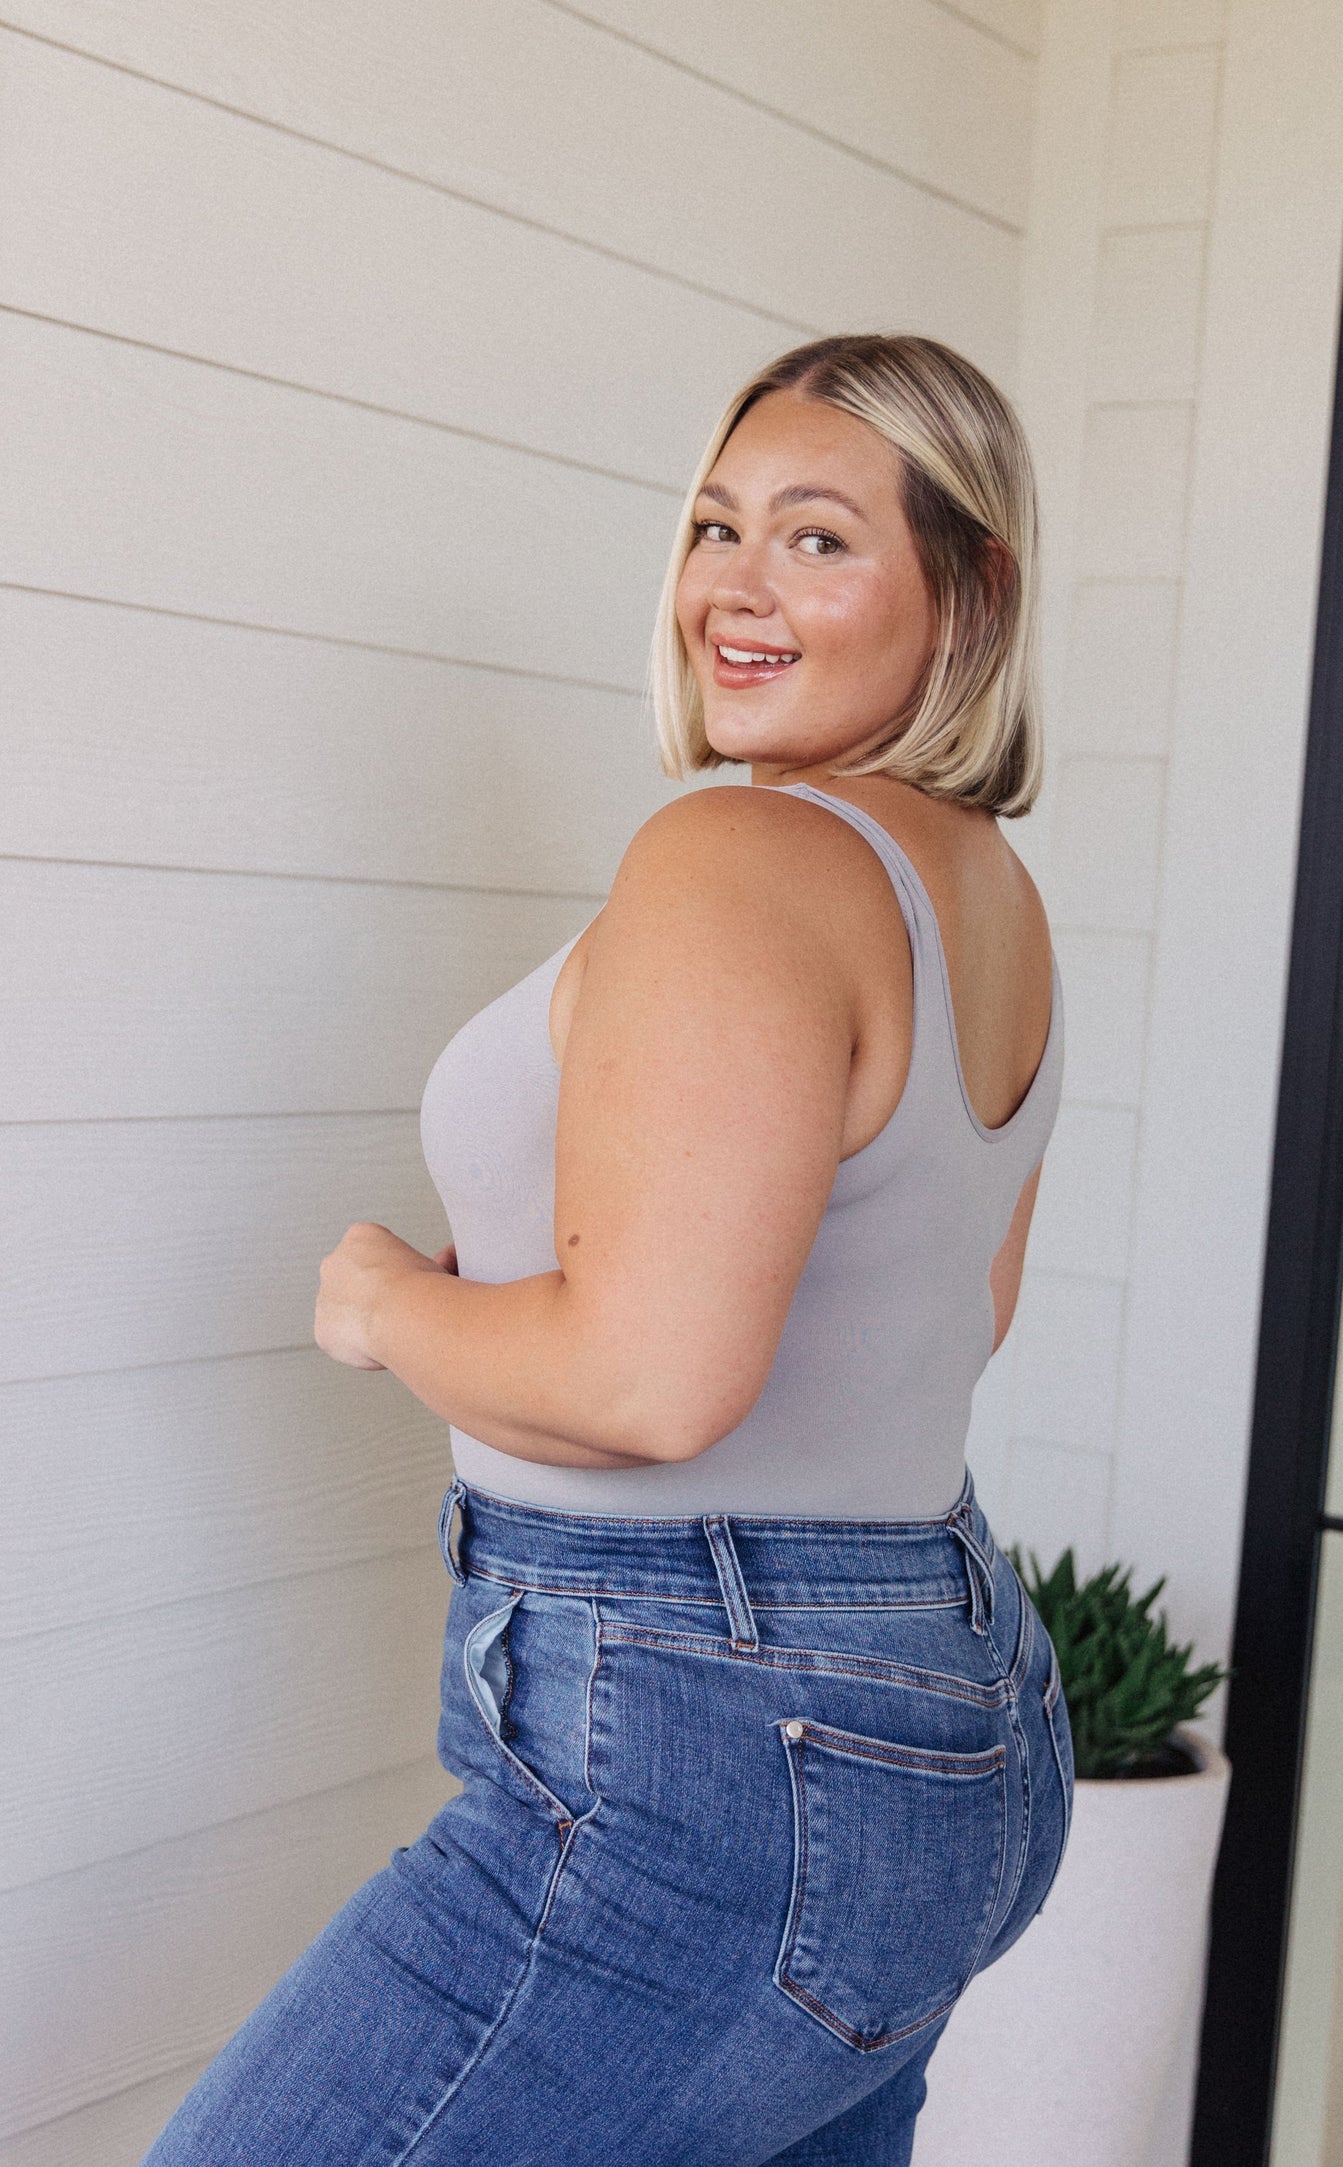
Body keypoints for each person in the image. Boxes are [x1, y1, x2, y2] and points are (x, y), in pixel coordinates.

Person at [142, 333, 1074, 2167]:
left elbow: (649, 1384)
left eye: (818, 539)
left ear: (970, 591)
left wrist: (386, 1304)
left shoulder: (736, 857)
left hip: (703, 1746)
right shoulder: (982, 891)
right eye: (717, 527)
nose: (735, 585)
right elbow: (963, 1315)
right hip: (949, 1715)